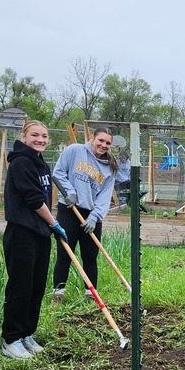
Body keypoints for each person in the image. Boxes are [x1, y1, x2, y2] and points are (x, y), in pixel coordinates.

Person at [1, 120, 68, 360]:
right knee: (20, 287)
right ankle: (11, 339)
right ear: (24, 136)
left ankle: (27, 333)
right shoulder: (20, 162)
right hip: (22, 233)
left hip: (40, 233)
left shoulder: (40, 163)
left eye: (44, 136)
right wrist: (54, 222)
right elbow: (33, 199)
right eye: (35, 135)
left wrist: (49, 225)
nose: (40, 139)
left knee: (36, 287)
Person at [51, 127, 116, 300]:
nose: (103, 145)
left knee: (90, 256)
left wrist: (95, 217)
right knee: (65, 254)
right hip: (68, 210)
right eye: (100, 140)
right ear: (92, 137)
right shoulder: (74, 150)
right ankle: (58, 295)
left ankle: (90, 296)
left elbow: (104, 196)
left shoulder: (109, 168)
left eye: (107, 143)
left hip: (91, 215)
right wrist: (69, 192)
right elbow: (58, 173)